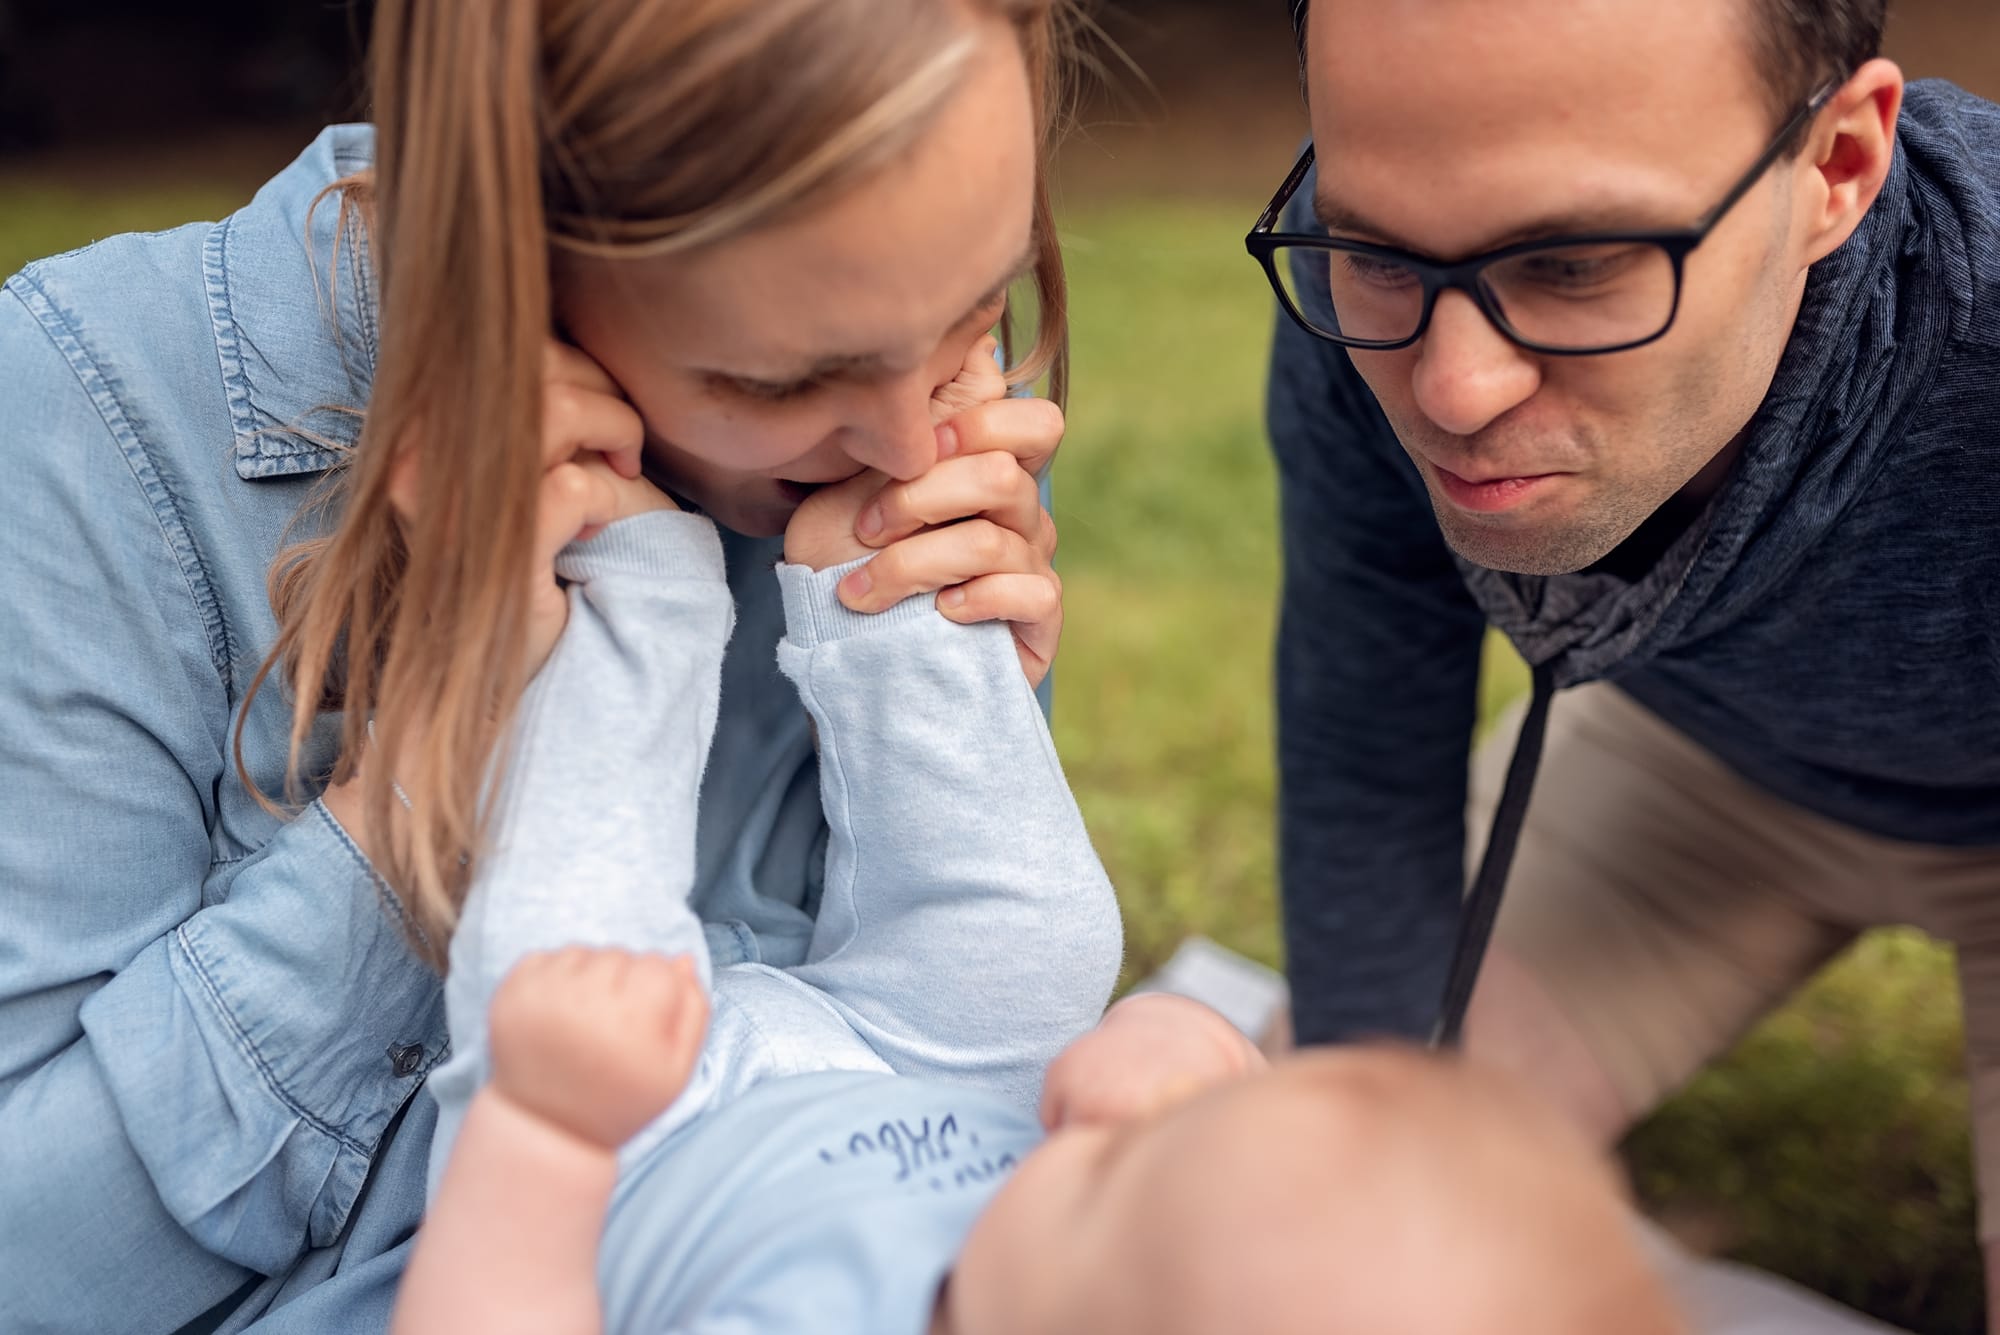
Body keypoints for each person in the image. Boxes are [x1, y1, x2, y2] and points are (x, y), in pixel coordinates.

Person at [0, 0, 1078, 1328]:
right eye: (784, 382)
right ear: (507, 247)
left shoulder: (892, 426)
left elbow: (936, 1075)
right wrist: (433, 786)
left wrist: (957, 724)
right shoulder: (84, 422)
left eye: (977, 315)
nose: (916, 447)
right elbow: (30, 1269)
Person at [387, 479, 1682, 1333]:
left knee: (550, 957)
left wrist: (545, 1134)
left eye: (1114, 1168)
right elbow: (1172, 1131)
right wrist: (1189, 1061)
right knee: (1047, 947)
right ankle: (880, 601)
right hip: (924, 1068)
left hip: (652, 1121)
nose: (1097, 1122)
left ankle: (631, 586)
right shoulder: (1096, 1265)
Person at [1260, 0, 2000, 1313]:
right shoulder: (1350, 303)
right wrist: (1357, 1169)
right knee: (1271, 1192)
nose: (1453, 388)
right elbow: (1371, 725)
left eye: (1575, 265)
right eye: (1378, 250)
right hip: (1694, 770)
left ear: (1837, 164)